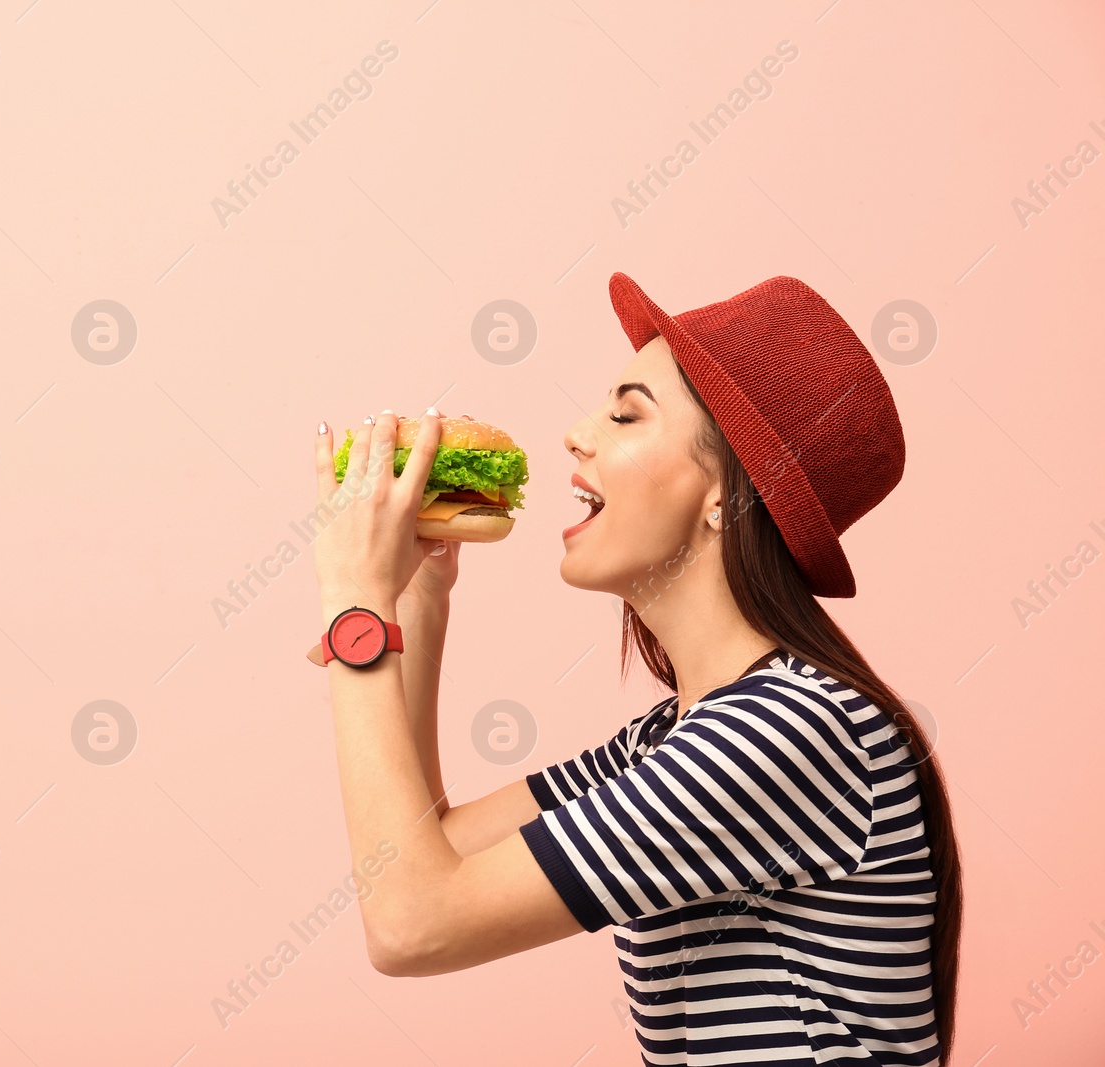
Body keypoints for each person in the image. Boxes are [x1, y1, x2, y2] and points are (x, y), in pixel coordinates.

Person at [309, 271, 962, 1066]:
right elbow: (420, 852)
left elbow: (413, 923)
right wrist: (417, 599)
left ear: (724, 492)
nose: (577, 434)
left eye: (625, 414)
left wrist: (356, 609)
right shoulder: (673, 735)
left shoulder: (792, 728)